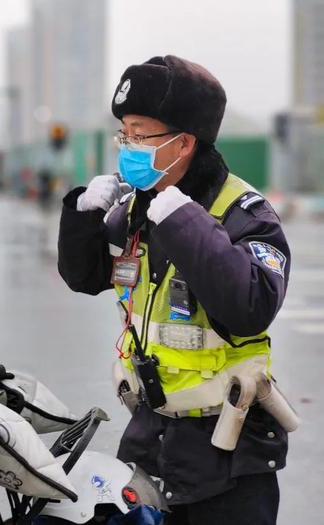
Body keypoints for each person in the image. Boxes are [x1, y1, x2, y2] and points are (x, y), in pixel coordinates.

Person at [57, 55, 290, 525]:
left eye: (140, 134)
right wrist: (81, 216)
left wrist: (182, 220)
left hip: (228, 452)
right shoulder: (136, 208)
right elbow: (87, 277)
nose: (128, 146)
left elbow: (251, 305)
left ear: (183, 143)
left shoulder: (245, 212)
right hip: (150, 440)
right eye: (123, 134)